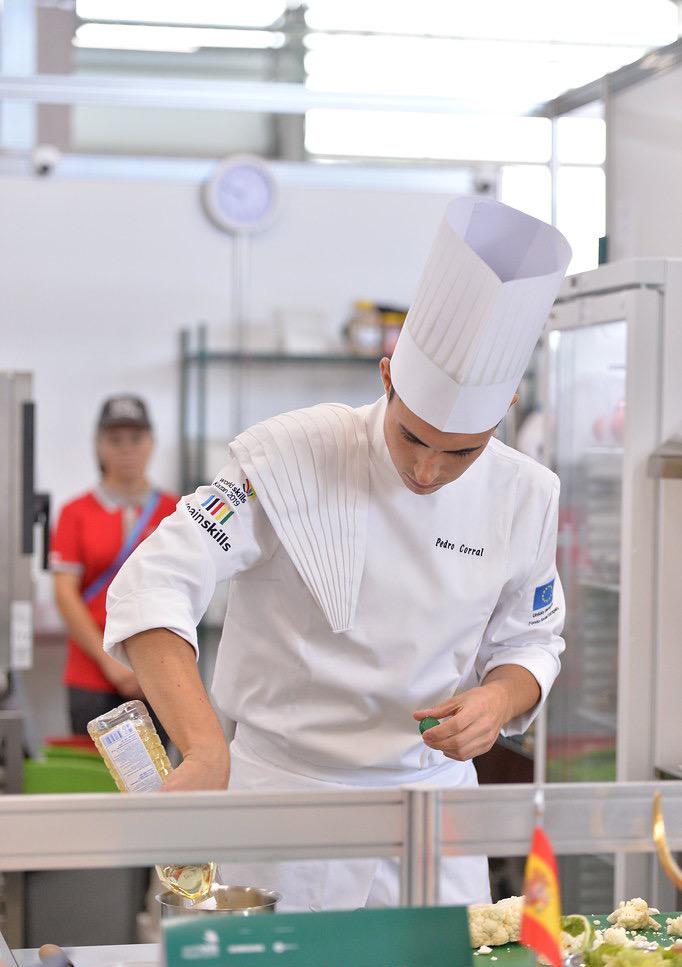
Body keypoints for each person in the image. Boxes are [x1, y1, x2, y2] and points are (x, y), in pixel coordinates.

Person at [104, 197, 572, 910]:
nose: (426, 472)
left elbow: (534, 636)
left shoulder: (526, 495)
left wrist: (499, 696)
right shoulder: (292, 456)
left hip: (432, 812)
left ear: (504, 409)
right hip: (283, 804)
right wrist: (202, 748)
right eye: (412, 437)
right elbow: (154, 582)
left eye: (461, 453)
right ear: (387, 376)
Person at [51, 395, 177, 735]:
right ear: (99, 445)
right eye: (115, 439)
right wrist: (111, 664)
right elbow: (65, 594)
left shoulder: (176, 511)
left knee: (160, 781)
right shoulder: (75, 512)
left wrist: (149, 665)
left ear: (151, 444)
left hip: (160, 673)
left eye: (136, 439)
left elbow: (182, 593)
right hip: (91, 671)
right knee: (93, 780)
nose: (126, 449)